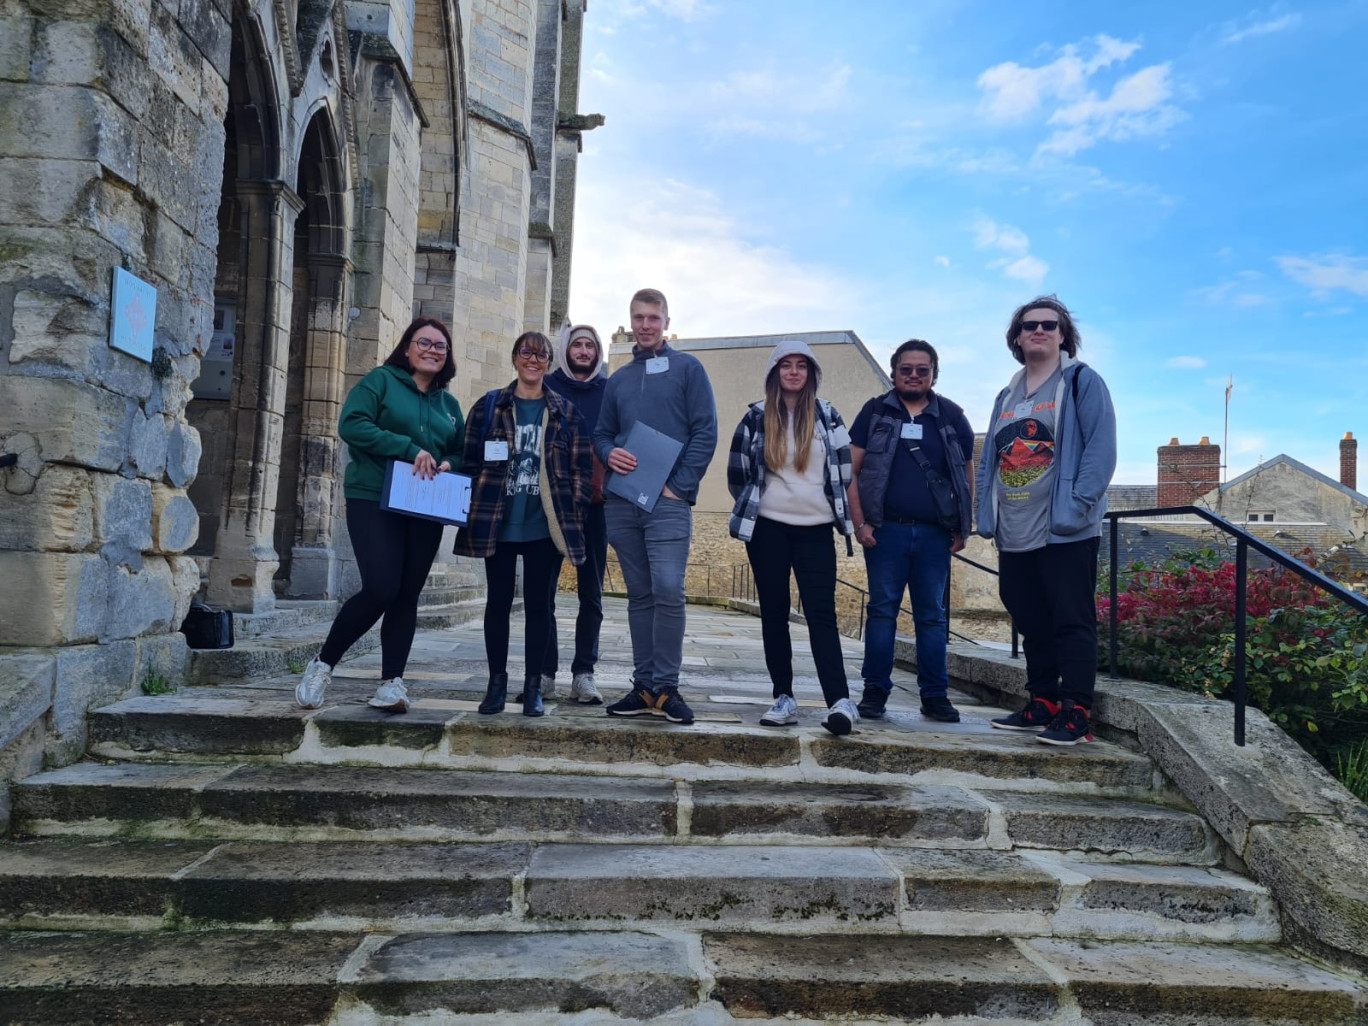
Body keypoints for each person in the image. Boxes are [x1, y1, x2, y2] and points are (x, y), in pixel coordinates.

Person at [295, 317, 465, 714]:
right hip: (374, 497)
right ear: (407, 347)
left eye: (441, 346)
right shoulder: (380, 381)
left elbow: (460, 450)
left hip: (425, 506)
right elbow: (352, 425)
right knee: (381, 587)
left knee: (407, 594)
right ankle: (322, 664)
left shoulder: (450, 405)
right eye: (424, 342)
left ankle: (392, 683)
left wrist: (446, 462)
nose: (432, 351)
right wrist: (409, 449)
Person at [977, 295, 1116, 746]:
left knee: (1071, 617)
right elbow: (990, 460)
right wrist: (985, 514)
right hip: (1015, 527)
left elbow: (1100, 449)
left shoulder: (1081, 382)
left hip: (1064, 527)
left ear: (1063, 336)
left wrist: (1076, 507)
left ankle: (1076, 710)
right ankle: (1043, 701)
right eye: (1030, 325)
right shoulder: (1008, 394)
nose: (1040, 330)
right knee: (1029, 615)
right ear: (1017, 337)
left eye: (1049, 325)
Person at [593, 288, 717, 725]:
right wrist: (608, 454)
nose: (645, 325)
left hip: (667, 504)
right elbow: (602, 433)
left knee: (668, 589)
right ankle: (644, 686)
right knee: (639, 595)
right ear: (630, 322)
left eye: (653, 317)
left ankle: (666, 686)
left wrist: (679, 487)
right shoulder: (619, 379)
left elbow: (706, 431)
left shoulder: (688, 369)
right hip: (624, 502)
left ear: (666, 321)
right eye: (638, 318)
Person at [727, 340, 860, 736]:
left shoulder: (828, 415)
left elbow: (843, 470)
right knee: (774, 612)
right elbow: (738, 475)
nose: (794, 372)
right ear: (774, 372)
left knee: (822, 614)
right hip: (767, 529)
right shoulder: (755, 417)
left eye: (802, 366)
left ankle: (839, 700)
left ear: (811, 373)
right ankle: (783, 696)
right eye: (786, 365)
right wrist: (757, 506)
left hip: (816, 531)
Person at [457, 331, 592, 717]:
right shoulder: (489, 407)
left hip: (544, 527)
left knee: (539, 607)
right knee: (497, 604)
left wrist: (574, 509)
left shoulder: (565, 411)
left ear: (549, 363)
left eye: (542, 354)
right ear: (515, 358)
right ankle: (496, 683)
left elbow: (582, 469)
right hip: (497, 522)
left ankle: (533, 685)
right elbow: (470, 460)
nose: (534, 359)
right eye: (526, 352)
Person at [846, 339, 974, 723]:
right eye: (907, 369)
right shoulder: (874, 412)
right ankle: (875, 693)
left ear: (934, 373)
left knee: (932, 617)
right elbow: (850, 471)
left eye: (923, 369)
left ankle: (935, 696)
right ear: (894, 372)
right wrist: (860, 523)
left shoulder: (951, 415)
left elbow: (966, 472)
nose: (914, 375)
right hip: (886, 533)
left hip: (935, 534)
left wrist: (964, 525)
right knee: (882, 612)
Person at [539, 323, 610, 704]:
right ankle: (545, 673)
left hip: (596, 504)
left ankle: (584, 673)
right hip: (552, 502)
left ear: (598, 352)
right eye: (577, 345)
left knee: (592, 594)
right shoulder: (548, 387)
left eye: (590, 346)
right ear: (566, 350)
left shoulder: (609, 391)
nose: (583, 351)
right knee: (544, 592)